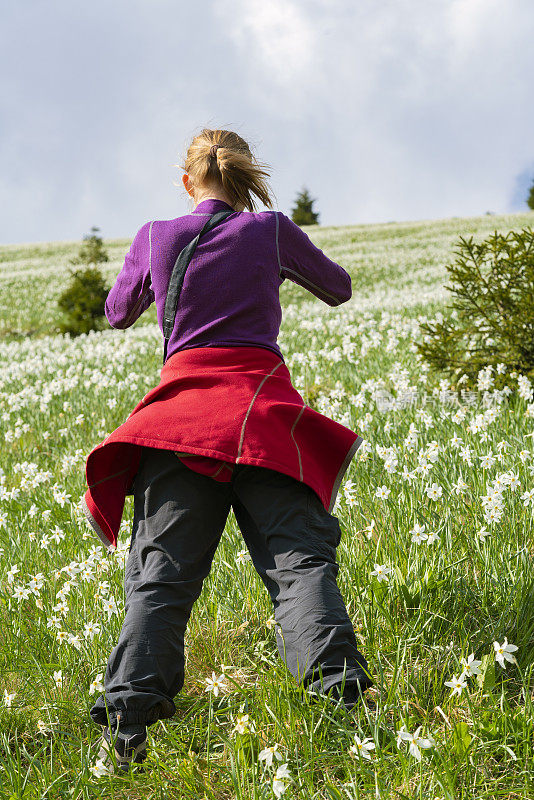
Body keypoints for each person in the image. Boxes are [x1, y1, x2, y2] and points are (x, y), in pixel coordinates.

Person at [83, 128, 374, 772]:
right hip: (262, 420)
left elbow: (116, 312)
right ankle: (343, 714)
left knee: (159, 577)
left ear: (187, 181)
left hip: (179, 426)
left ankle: (128, 725)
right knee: (301, 563)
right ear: (243, 177)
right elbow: (339, 286)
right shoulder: (267, 231)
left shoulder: (158, 234)